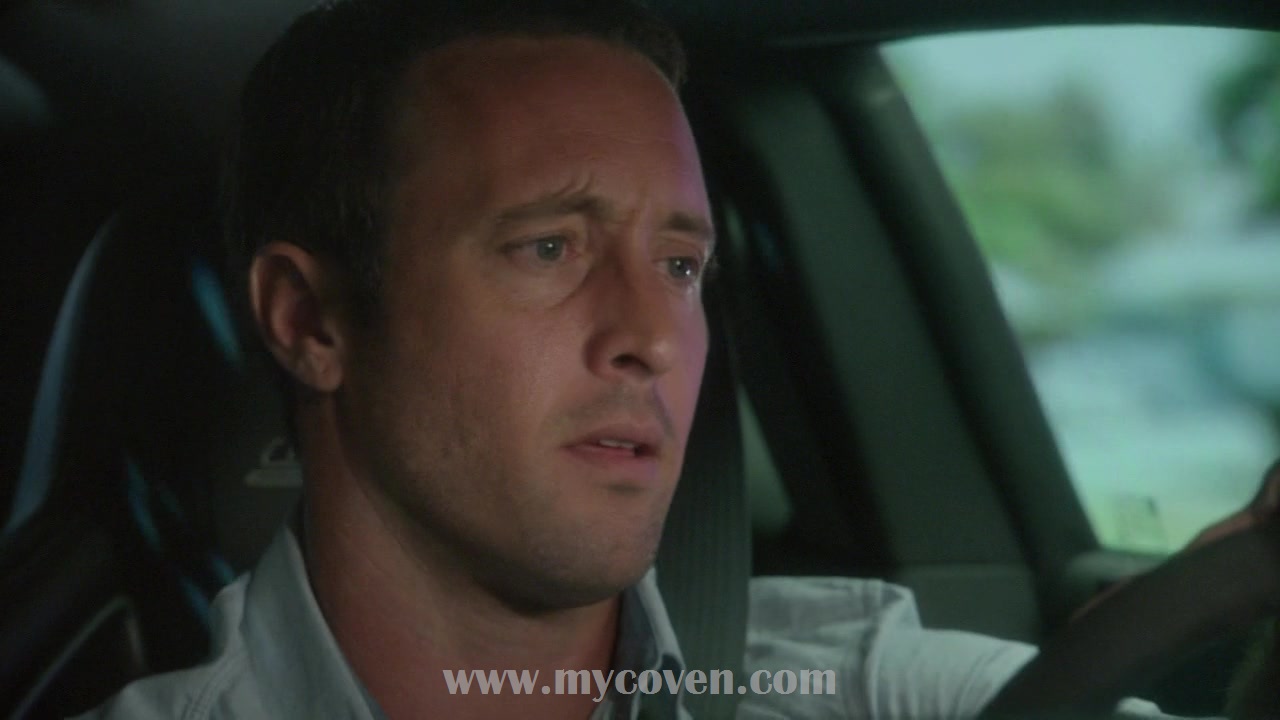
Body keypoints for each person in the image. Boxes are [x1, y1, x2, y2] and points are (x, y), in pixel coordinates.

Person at [79, 1, 1275, 718]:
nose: (652, 337)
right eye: (548, 247)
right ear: (311, 321)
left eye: (681, 265)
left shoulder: (848, 684)